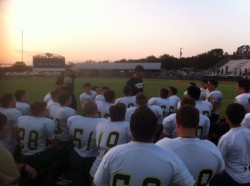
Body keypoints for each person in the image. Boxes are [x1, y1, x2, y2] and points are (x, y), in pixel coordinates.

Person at [92, 106, 195, 186]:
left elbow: (96, 184)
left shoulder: (112, 153)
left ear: (131, 128)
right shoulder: (171, 158)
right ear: (156, 130)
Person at [156, 105, 224, 185]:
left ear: (177, 123)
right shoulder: (212, 148)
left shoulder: (162, 145)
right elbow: (220, 172)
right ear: (197, 124)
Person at [17, 101, 66, 185]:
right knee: (64, 151)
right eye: (46, 110)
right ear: (42, 111)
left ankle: (39, 171)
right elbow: (55, 144)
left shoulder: (21, 119)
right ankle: (56, 178)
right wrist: (45, 148)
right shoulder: (47, 122)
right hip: (38, 157)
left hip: (24, 156)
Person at [68, 101, 107, 186]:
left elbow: (71, 136)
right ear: (97, 109)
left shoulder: (73, 119)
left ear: (84, 110)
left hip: (76, 154)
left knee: (77, 176)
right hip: (91, 157)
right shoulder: (102, 122)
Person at [211, 103, 250, 185]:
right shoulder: (248, 132)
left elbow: (219, 162)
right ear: (243, 117)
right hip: (246, 175)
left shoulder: (227, 138)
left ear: (227, 118)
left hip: (232, 178)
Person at [90, 103, 131, 179]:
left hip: (96, 167)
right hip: (115, 169)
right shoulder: (127, 126)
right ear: (123, 114)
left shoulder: (100, 124)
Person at [0, 113, 37, 186]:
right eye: (5, 125)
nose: (7, 127)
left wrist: (22, 167)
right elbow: (14, 180)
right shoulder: (3, 153)